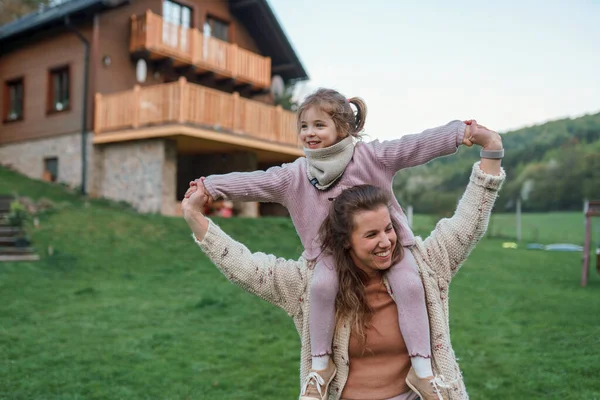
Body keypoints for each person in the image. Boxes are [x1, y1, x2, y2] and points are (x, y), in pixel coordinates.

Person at [185, 88, 491, 399]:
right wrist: (209, 186)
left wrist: (460, 133)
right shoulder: (295, 177)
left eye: (319, 125)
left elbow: (413, 147)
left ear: (342, 128)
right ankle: (320, 367)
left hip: (401, 263)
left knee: (410, 284)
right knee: (321, 287)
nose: (309, 133)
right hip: (327, 259)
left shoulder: (370, 158)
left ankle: (423, 371)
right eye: (304, 126)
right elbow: (254, 183)